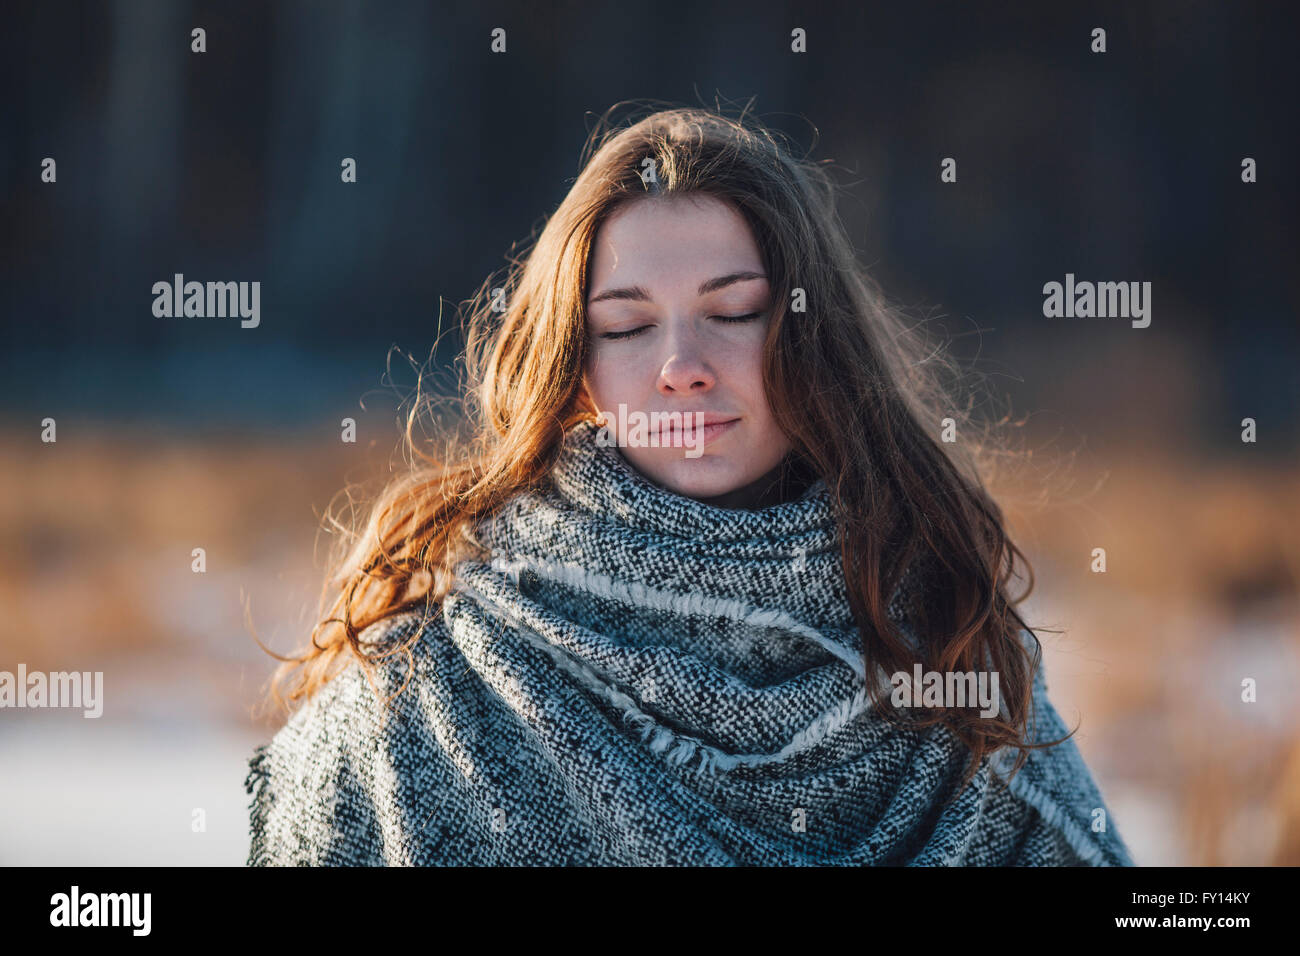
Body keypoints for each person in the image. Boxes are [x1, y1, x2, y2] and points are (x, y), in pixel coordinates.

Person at [245, 103, 1135, 866]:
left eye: (733, 312)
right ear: (574, 365)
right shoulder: (430, 688)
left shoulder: (951, 651)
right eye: (626, 326)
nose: (680, 366)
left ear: (813, 338)